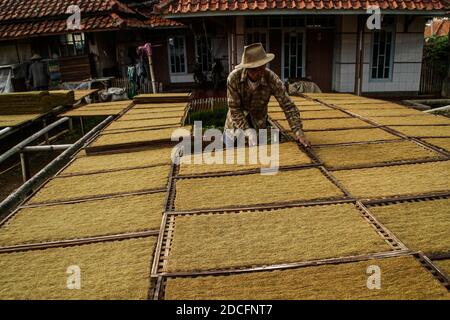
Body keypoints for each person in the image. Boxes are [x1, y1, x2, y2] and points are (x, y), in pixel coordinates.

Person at [224, 43, 311, 148]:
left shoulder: (271, 78)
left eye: (261, 68)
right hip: (235, 125)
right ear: (246, 68)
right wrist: (247, 131)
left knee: (256, 157)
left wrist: (298, 132)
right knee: (232, 155)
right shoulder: (234, 79)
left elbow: (287, 105)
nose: (259, 72)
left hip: (258, 123)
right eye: (254, 69)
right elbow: (234, 109)